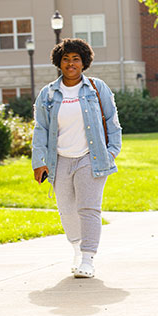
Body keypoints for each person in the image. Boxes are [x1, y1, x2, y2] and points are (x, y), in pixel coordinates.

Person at [32, 38, 122, 278]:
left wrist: (112, 151)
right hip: (59, 159)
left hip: (90, 158)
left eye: (76, 59)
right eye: (66, 59)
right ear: (59, 63)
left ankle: (88, 258)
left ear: (84, 63)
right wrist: (38, 161)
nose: (71, 63)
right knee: (66, 210)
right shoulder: (49, 93)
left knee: (88, 208)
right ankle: (76, 249)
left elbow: (112, 121)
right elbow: (40, 128)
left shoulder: (96, 87)